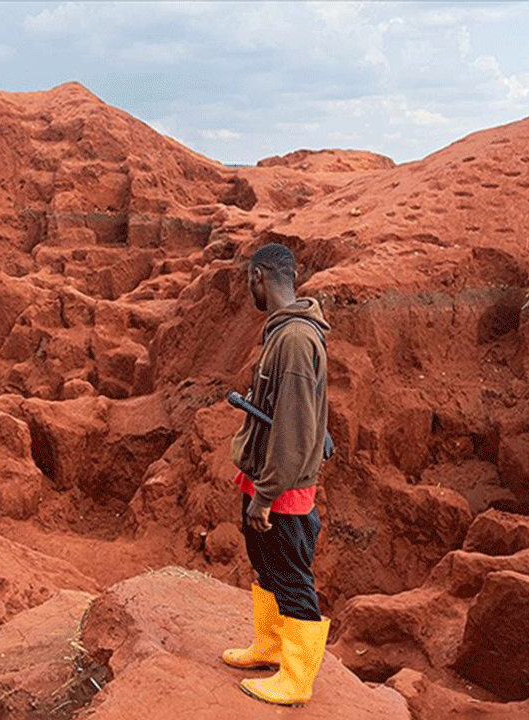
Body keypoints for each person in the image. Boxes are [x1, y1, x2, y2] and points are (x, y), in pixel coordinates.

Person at [220, 242, 331, 706]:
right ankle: (269, 647)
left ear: (259, 277)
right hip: (266, 477)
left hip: (282, 488)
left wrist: (266, 495)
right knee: (266, 564)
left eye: (250, 281)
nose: (251, 290)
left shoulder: (296, 339)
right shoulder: (284, 332)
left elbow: (295, 426)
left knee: (290, 575)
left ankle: (297, 680)